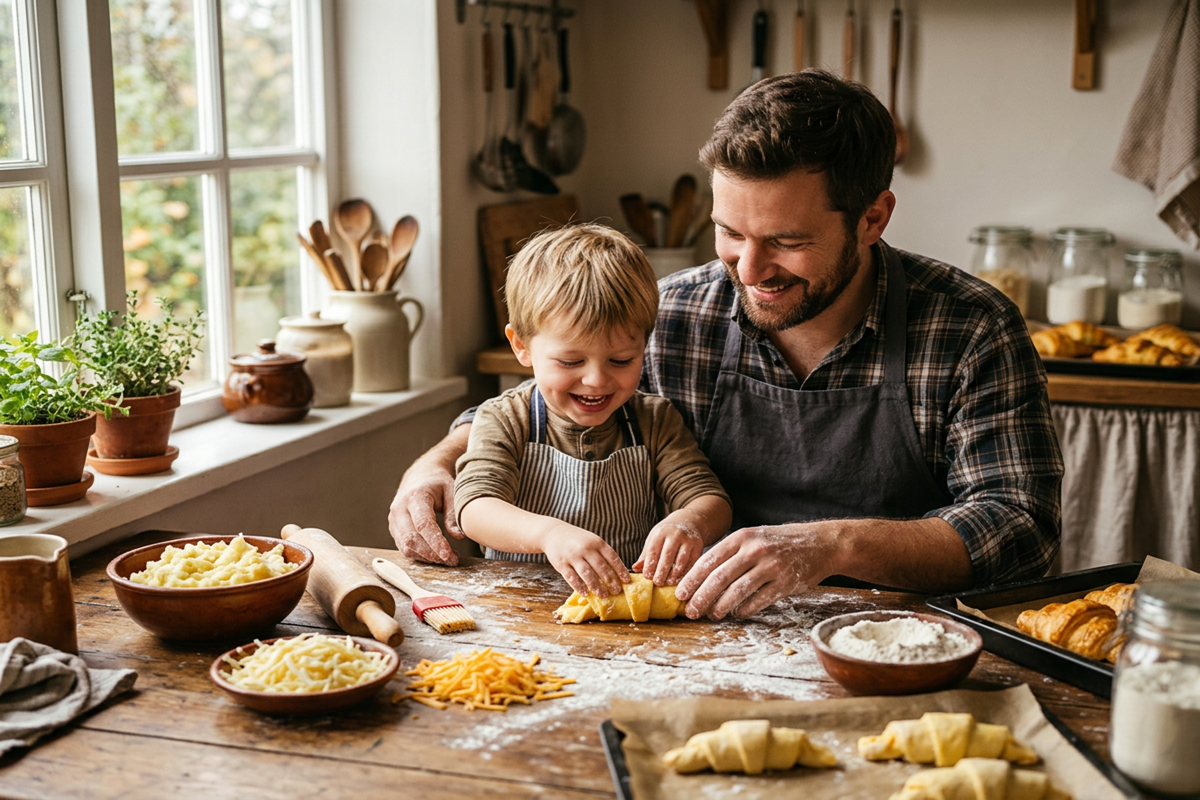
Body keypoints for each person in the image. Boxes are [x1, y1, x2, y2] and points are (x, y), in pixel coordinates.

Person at [389, 69, 1063, 620]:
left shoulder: (971, 328)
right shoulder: (680, 313)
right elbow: (549, 397)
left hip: (895, 647)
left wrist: (831, 545)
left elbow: (1019, 528)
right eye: (730, 232)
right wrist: (436, 463)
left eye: (788, 242)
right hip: (706, 638)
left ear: (872, 219)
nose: (748, 268)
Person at [452, 223, 732, 598]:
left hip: (624, 607)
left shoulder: (654, 420)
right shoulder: (505, 419)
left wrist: (688, 521)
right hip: (517, 603)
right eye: (570, 362)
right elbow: (475, 508)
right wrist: (550, 535)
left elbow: (710, 499)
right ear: (521, 346)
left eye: (621, 360)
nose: (597, 381)